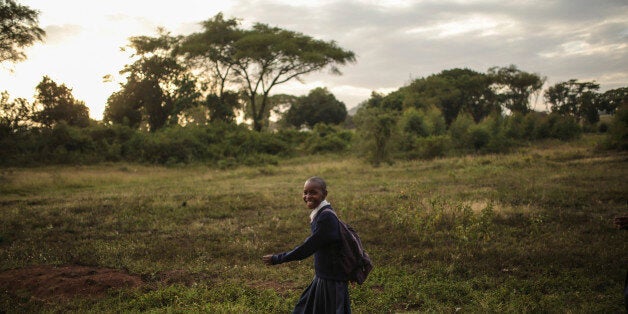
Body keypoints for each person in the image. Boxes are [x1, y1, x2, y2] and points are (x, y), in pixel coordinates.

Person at [263, 176, 351, 314]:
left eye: (313, 192)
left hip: (332, 281)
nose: (308, 196)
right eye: (305, 192)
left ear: (324, 194)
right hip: (323, 277)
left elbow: (307, 248)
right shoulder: (320, 214)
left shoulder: (326, 218)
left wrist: (277, 258)